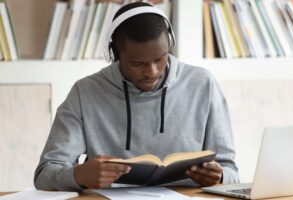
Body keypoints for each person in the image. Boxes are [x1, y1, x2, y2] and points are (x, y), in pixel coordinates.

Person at [34, 2, 239, 191]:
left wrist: (220, 176)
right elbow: (44, 175)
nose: (151, 72)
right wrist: (77, 176)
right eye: (137, 63)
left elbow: (231, 171)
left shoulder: (203, 84)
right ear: (114, 54)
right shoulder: (85, 92)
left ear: (170, 45)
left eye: (160, 59)